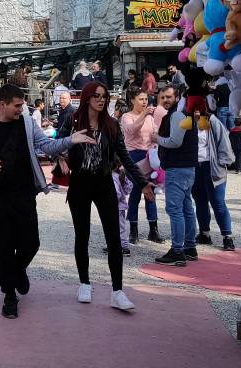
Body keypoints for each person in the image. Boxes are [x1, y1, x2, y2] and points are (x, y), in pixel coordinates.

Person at [0, 84, 81, 318]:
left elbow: (47, 146)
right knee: (3, 247)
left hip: (24, 194)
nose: (21, 109)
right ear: (2, 104)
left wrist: (72, 139)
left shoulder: (27, 123)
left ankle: (18, 271)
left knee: (32, 243)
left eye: (22, 105)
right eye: (17, 106)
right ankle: (9, 295)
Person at [63, 81, 153, 311]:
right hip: (80, 184)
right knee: (81, 235)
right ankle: (84, 283)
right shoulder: (73, 120)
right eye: (97, 96)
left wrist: (143, 184)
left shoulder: (111, 125)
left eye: (104, 96)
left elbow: (124, 157)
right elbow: (56, 144)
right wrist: (60, 158)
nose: (102, 100)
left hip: (104, 183)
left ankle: (117, 291)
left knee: (113, 238)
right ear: (86, 98)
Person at [155, 96, 200, 266]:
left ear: (178, 98)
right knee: (187, 207)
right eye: (163, 96)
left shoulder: (177, 115)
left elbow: (174, 141)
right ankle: (189, 247)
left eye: (169, 97)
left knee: (175, 209)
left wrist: (156, 138)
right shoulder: (187, 114)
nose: (165, 99)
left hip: (178, 167)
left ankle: (177, 250)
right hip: (188, 166)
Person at [119, 87, 162, 244]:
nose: (145, 102)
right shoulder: (126, 116)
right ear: (132, 100)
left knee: (151, 192)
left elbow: (154, 133)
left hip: (149, 155)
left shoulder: (151, 118)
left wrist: (162, 139)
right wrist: (144, 114)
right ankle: (133, 230)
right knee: (136, 192)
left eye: (146, 99)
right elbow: (130, 132)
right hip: (134, 156)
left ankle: (153, 229)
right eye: (141, 99)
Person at [190, 109, 237, 251]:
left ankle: (227, 236)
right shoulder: (188, 121)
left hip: (212, 165)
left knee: (217, 201)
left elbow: (224, 143)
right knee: (200, 200)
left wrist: (222, 163)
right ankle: (204, 233)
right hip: (194, 166)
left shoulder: (212, 121)